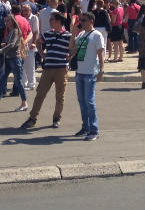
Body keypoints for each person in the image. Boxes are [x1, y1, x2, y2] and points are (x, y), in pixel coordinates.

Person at [21, 12, 73, 129]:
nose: (49, 21)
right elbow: (38, 42)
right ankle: (32, 118)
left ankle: (56, 118)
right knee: (40, 94)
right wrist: (41, 54)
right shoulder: (47, 34)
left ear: (59, 21)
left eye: (52, 19)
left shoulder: (68, 35)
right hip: (48, 68)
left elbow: (75, 47)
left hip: (61, 69)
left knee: (60, 96)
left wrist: (70, 56)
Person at [71, 12, 105, 140]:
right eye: (81, 20)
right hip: (79, 71)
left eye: (84, 20)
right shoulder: (81, 34)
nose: (81, 22)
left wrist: (101, 70)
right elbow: (72, 48)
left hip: (90, 72)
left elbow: (101, 53)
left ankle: (94, 130)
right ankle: (85, 127)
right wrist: (73, 33)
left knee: (89, 101)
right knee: (81, 101)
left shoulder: (97, 35)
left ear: (91, 21)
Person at [0, 15, 27, 112]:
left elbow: (12, 45)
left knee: (18, 81)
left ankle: (24, 103)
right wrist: (5, 45)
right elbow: (11, 44)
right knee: (2, 80)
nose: (6, 23)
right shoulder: (11, 31)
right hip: (8, 58)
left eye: (8, 21)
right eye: (5, 21)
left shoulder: (15, 31)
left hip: (15, 59)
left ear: (13, 21)